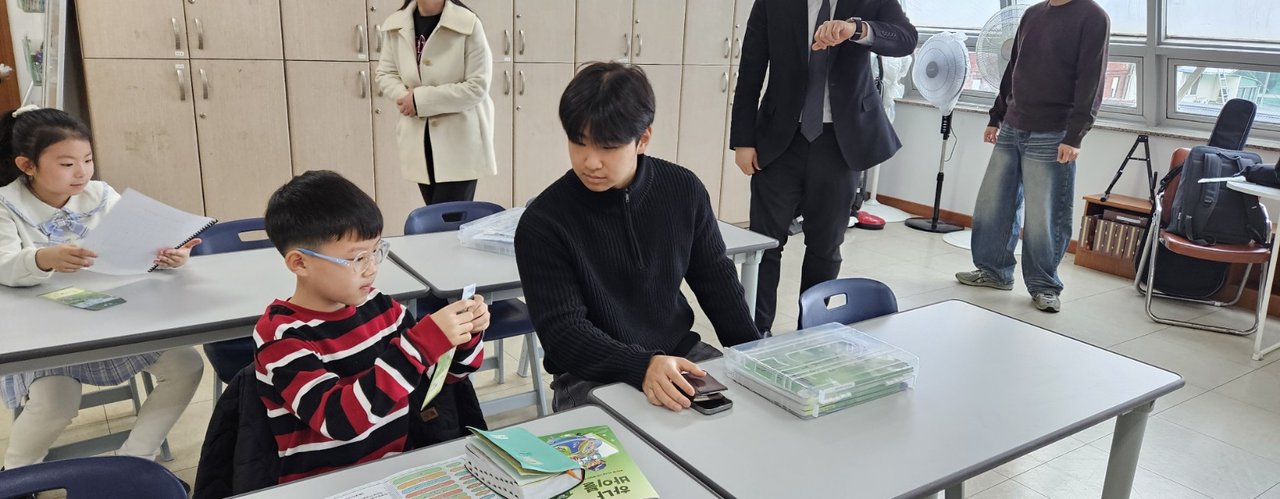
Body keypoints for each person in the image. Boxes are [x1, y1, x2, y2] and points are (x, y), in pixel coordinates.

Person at [514, 62, 762, 413]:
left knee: (750, 416)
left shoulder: (683, 190)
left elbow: (717, 282)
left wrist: (754, 357)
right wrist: (641, 365)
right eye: (578, 143)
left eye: (608, 147)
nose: (590, 161)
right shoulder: (545, 222)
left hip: (679, 353)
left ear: (643, 138)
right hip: (589, 375)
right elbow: (564, 334)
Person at [0, 106, 204, 470]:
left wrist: (169, 256)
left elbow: (136, 245)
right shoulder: (6, 205)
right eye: (67, 164)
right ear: (27, 165)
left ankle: (136, 461)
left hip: (111, 317)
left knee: (187, 364)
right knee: (57, 400)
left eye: (88, 160)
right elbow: (4, 265)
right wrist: (44, 258)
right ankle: (17, 476)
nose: (82, 172)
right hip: (46, 331)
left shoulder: (101, 195)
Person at [254, 170, 489, 483]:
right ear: (300, 263)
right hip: (327, 483)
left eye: (376, 251)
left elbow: (439, 382)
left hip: (395, 470)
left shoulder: (381, 307)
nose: (372, 268)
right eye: (358, 258)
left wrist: (463, 338)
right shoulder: (282, 336)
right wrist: (421, 344)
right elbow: (339, 420)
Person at [730, 0, 917, 334]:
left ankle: (812, 334)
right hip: (779, 140)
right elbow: (751, 67)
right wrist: (743, 139)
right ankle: (755, 334)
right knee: (765, 244)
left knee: (825, 247)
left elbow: (905, 39)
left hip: (840, 142)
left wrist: (856, 29)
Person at [956, 0, 1110, 313]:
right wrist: (996, 116)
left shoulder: (1093, 16)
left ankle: (1044, 286)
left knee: (1045, 216)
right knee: (993, 206)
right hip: (1013, 124)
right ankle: (994, 272)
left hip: (1054, 132)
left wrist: (1075, 135)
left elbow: (1091, 80)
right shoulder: (1032, 14)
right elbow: (1014, 69)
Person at [376, 0, 496, 205]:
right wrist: (406, 98)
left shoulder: (467, 23)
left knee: (448, 218)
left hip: (459, 142)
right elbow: (385, 73)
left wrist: (419, 100)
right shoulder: (395, 24)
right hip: (419, 140)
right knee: (434, 215)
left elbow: (477, 86)